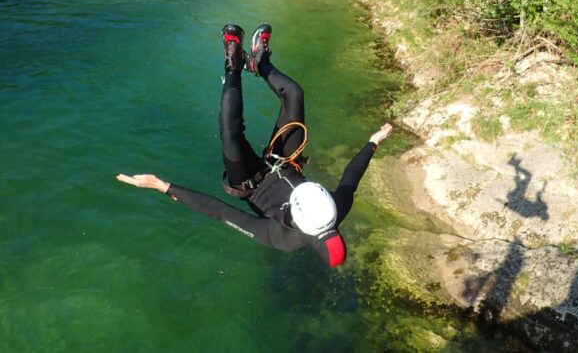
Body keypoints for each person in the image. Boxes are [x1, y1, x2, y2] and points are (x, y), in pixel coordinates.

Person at [117, 24, 393, 268]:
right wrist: (372, 143)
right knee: (294, 95)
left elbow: (222, 212)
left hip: (250, 182)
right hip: (287, 163)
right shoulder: (334, 210)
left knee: (230, 133)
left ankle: (233, 63)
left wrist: (162, 186)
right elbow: (351, 178)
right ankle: (259, 63)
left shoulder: (281, 238)